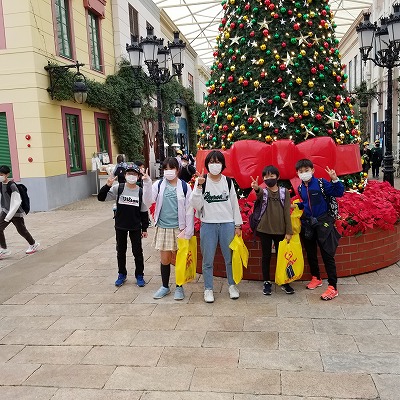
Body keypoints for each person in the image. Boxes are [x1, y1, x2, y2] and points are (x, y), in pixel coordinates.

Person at [190, 150, 243, 303]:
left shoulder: (228, 182)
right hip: (208, 225)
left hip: (227, 224)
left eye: (218, 162)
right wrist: (198, 187)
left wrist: (238, 225)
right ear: (207, 164)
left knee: (229, 258)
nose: (215, 165)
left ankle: (232, 285)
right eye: (212, 162)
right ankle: (208, 289)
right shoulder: (202, 181)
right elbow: (196, 204)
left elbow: (234, 204)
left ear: (222, 164)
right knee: (207, 260)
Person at [142, 157, 194, 300]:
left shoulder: (185, 187)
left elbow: (189, 209)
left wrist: (188, 230)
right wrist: (146, 183)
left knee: (179, 259)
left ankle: (179, 286)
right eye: (165, 169)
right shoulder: (158, 185)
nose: (168, 171)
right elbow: (148, 201)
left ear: (177, 170)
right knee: (165, 259)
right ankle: (165, 286)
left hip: (179, 229)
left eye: (171, 168)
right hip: (163, 227)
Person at [295, 159, 344, 300]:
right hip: (308, 223)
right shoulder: (300, 188)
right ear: (297, 173)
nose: (304, 173)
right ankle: (316, 278)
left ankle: (333, 287)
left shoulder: (321, 183)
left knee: (327, 254)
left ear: (312, 170)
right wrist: (296, 206)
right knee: (311, 252)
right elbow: (306, 203)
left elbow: (339, 192)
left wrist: (335, 180)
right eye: (301, 171)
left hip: (323, 223)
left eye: (306, 170)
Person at [98, 163, 149, 287]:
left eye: (134, 174)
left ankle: (139, 275)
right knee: (121, 251)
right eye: (129, 173)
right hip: (121, 225)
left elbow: (144, 211)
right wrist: (107, 185)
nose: (131, 176)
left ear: (138, 176)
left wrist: (144, 228)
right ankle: (122, 274)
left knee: (137, 252)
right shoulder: (118, 188)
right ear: (125, 175)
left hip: (135, 226)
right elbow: (101, 198)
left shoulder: (141, 192)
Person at [250, 165, 294, 295]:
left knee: (283, 257)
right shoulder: (264, 192)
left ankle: (284, 281)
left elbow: (287, 212)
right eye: (266, 176)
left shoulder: (284, 192)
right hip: (264, 229)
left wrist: (289, 231)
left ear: (277, 177)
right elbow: (259, 193)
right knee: (266, 256)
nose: (268, 178)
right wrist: (256, 188)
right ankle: (266, 282)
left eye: (271, 176)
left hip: (280, 230)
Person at [0, 165, 40, 258]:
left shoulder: (12, 186)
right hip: (6, 211)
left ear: (7, 175)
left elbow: (16, 202)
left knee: (22, 230)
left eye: (1, 174)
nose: (0, 176)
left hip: (15, 213)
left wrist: (9, 216)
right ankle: (4, 249)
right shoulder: (1, 184)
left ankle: (33, 244)